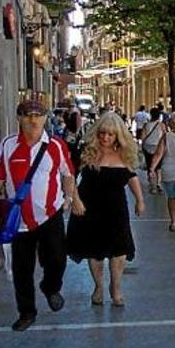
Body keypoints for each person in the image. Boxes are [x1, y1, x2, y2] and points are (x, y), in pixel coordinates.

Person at [0, 98, 80, 332]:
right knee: (22, 269)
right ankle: (26, 312)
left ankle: (51, 287)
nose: (33, 120)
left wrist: (70, 198)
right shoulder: (8, 145)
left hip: (50, 214)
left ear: (45, 118)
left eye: (38, 115)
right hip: (19, 220)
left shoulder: (56, 145)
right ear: (19, 118)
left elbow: (68, 174)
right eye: (27, 115)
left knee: (57, 260)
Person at [67, 113, 144, 306]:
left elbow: (132, 177)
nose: (105, 138)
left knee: (119, 250)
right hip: (89, 207)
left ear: (118, 135)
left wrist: (140, 200)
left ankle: (116, 287)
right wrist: (74, 200)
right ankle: (99, 286)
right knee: (94, 251)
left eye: (110, 134)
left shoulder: (124, 154)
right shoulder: (86, 152)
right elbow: (69, 176)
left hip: (116, 209)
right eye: (102, 133)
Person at [141, 110, 167, 193]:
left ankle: (153, 186)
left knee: (150, 165)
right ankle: (158, 183)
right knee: (158, 166)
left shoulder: (146, 125)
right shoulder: (162, 125)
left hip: (147, 146)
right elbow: (164, 136)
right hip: (158, 146)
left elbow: (143, 137)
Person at [63, 98, 83, 171]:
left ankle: (75, 164)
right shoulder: (66, 113)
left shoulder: (76, 113)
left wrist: (77, 132)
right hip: (68, 132)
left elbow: (79, 123)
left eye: (72, 106)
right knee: (66, 147)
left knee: (75, 149)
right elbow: (65, 122)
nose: (70, 107)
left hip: (74, 133)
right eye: (69, 105)